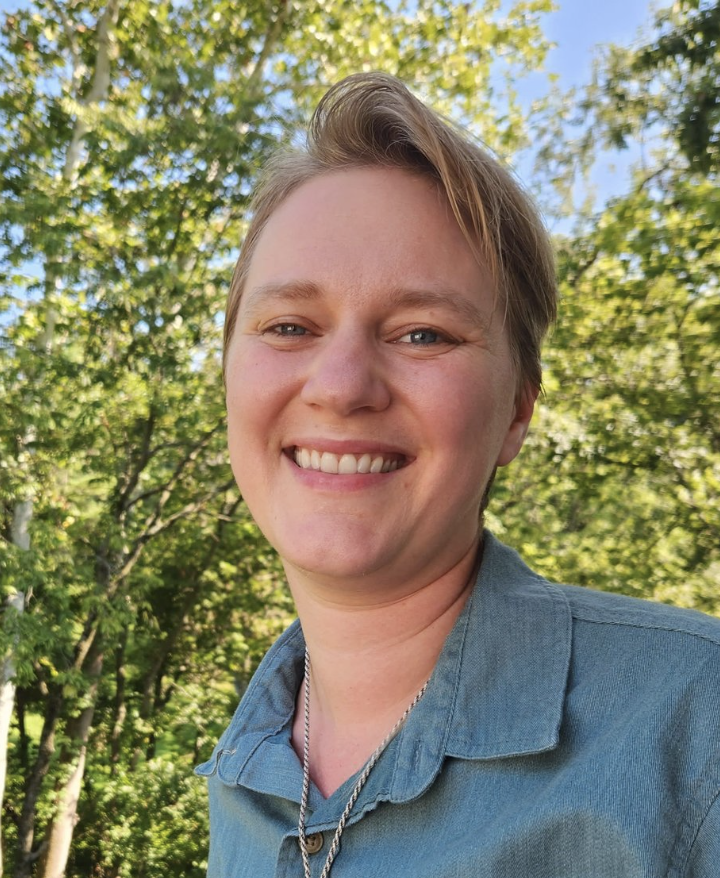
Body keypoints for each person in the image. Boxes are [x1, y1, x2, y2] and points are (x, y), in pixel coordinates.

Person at [195, 72, 720, 877]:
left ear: (515, 412)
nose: (339, 386)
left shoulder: (697, 730)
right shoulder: (248, 770)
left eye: (423, 335)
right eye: (290, 325)